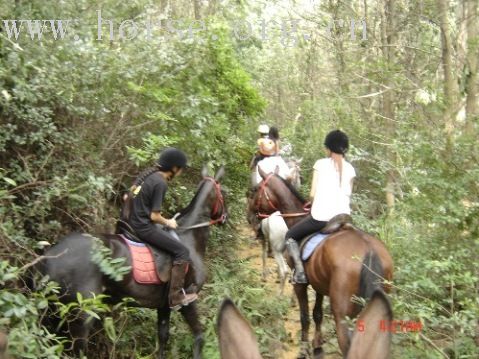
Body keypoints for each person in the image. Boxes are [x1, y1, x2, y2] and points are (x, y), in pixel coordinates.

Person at [126, 147, 198, 310]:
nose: (180, 173)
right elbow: (154, 216)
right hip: (144, 227)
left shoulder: (148, 176)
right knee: (182, 252)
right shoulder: (160, 182)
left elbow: (129, 195)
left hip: (133, 222)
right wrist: (168, 222)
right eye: (180, 169)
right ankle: (175, 297)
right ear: (174, 168)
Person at [284, 130, 356, 284]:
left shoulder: (320, 164)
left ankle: (300, 273)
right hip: (345, 218)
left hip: (322, 218)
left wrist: (313, 201)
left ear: (329, 148)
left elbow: (312, 194)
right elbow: (348, 194)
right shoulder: (351, 169)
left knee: (290, 236)